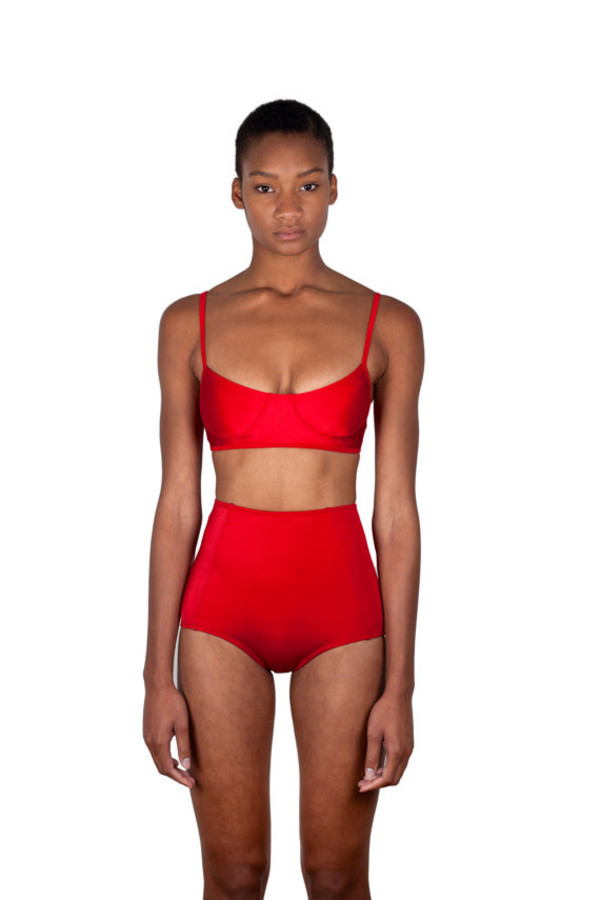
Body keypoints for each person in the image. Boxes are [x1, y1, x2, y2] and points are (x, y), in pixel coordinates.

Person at [143, 98, 424, 900]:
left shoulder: (389, 324)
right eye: (265, 187)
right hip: (220, 614)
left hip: (342, 613)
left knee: (334, 876)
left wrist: (401, 687)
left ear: (334, 188)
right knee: (235, 877)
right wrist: (155, 676)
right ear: (237, 194)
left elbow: (396, 513)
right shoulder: (188, 323)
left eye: (307, 185)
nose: (288, 208)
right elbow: (177, 504)